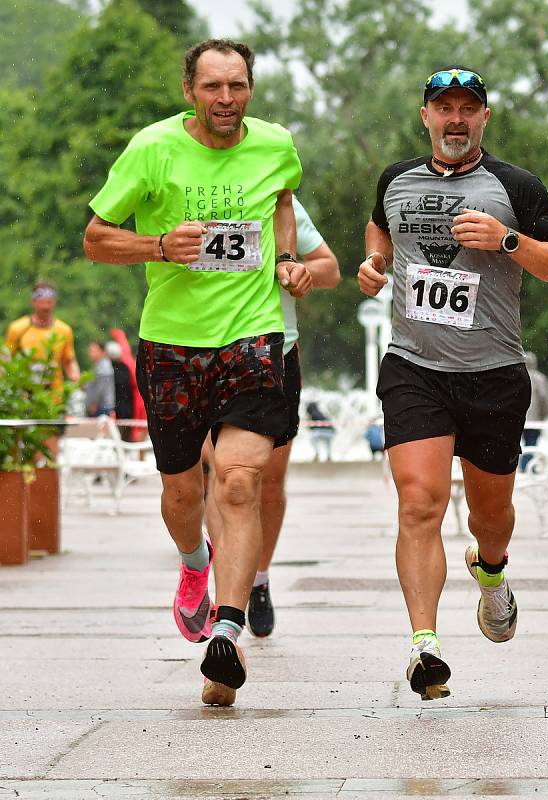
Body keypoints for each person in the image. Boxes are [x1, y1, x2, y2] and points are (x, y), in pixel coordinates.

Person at [82, 39, 310, 707]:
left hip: (251, 336)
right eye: (212, 86)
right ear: (190, 91)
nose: (225, 99)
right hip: (172, 345)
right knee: (184, 492)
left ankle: (229, 631)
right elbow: (96, 238)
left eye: (236, 85)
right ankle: (193, 564)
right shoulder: (152, 149)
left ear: (251, 88)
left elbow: (284, 200)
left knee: (240, 483)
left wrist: (290, 256)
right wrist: (157, 245)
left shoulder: (275, 145)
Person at [357, 65, 548, 699]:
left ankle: (492, 573)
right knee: (420, 503)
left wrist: (509, 240)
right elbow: (380, 224)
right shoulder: (396, 181)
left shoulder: (516, 185)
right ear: (425, 116)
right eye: (443, 107)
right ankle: (424, 646)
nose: (455, 118)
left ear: (485, 117)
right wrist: (375, 262)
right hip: (414, 369)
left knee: (492, 518)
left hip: (493, 375)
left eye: (468, 108)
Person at [203, 197, 339, 639]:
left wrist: (299, 271)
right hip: (200, 350)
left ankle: (257, 578)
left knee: (266, 481)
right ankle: (226, 590)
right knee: (222, 477)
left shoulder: (277, 196)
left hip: (271, 352)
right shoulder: (184, 184)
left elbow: (330, 269)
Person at [4, 280, 80, 398]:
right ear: (33, 301)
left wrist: (77, 383)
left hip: (53, 398)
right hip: (24, 396)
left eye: (49, 302)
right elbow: (5, 361)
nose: (46, 306)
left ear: (55, 302)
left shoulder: (64, 330)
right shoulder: (17, 328)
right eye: (42, 302)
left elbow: (69, 361)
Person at [520, 352, 548, 471]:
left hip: (516, 417)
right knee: (531, 443)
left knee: (515, 445)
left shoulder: (515, 376)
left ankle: (519, 468)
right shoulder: (540, 378)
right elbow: (545, 399)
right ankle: (527, 467)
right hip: (534, 419)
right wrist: (545, 415)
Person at [105, 340, 134, 440]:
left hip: (118, 409)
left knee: (118, 439)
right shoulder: (125, 368)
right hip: (126, 408)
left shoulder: (110, 369)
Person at [84, 341, 116, 417]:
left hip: (101, 407)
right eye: (90, 351)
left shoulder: (104, 367)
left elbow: (101, 388)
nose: (91, 353)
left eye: (94, 351)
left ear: (103, 352)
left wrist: (94, 403)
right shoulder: (98, 366)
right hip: (99, 407)